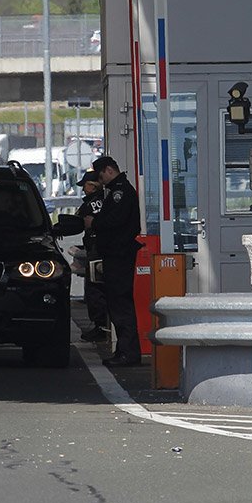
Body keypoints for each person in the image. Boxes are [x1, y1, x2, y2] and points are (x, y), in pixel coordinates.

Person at [86, 155, 142, 367]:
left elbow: (115, 220)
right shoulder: (119, 190)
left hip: (119, 256)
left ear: (109, 170)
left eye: (101, 176)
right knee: (118, 305)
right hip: (117, 255)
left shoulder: (120, 192)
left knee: (120, 305)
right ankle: (125, 351)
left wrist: (95, 222)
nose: (100, 182)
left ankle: (128, 352)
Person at [76, 169, 110, 343]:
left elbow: (77, 222)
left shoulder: (89, 205)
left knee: (94, 289)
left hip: (96, 250)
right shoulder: (108, 199)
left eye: (86, 186)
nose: (83, 190)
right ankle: (105, 325)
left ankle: (100, 327)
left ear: (93, 186)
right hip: (108, 248)